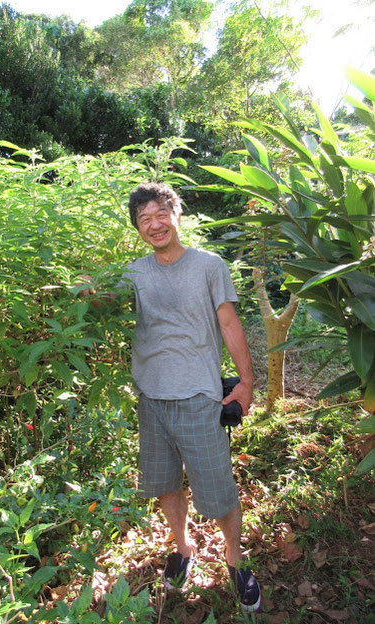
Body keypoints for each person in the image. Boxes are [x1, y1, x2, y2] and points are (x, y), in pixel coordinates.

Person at [84, 182, 260, 611]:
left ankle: (235, 558)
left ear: (177, 214)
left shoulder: (208, 265)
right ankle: (182, 549)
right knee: (164, 485)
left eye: (160, 214)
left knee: (217, 489)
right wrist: (89, 288)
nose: (154, 224)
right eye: (144, 219)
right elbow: (111, 301)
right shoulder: (135, 271)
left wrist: (247, 382)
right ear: (137, 228)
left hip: (199, 396)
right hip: (151, 397)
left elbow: (229, 324)